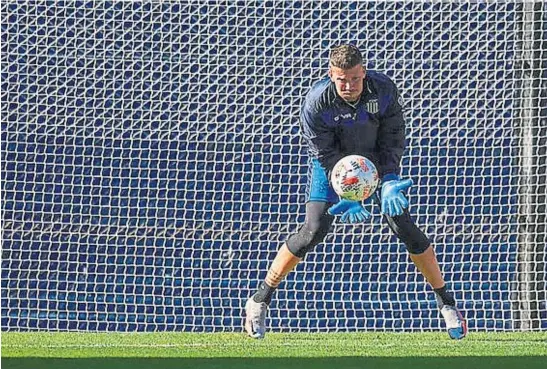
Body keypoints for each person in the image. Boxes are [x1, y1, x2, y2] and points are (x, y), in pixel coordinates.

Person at [244, 44, 467, 340]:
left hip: (375, 161)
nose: (348, 86)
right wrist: (350, 192)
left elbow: (393, 138)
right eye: (341, 80)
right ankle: (259, 301)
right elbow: (323, 153)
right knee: (314, 229)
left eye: (354, 78)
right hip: (333, 165)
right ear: (330, 75)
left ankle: (447, 304)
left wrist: (387, 179)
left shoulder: (384, 89)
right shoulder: (316, 102)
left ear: (364, 72)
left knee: (403, 225)